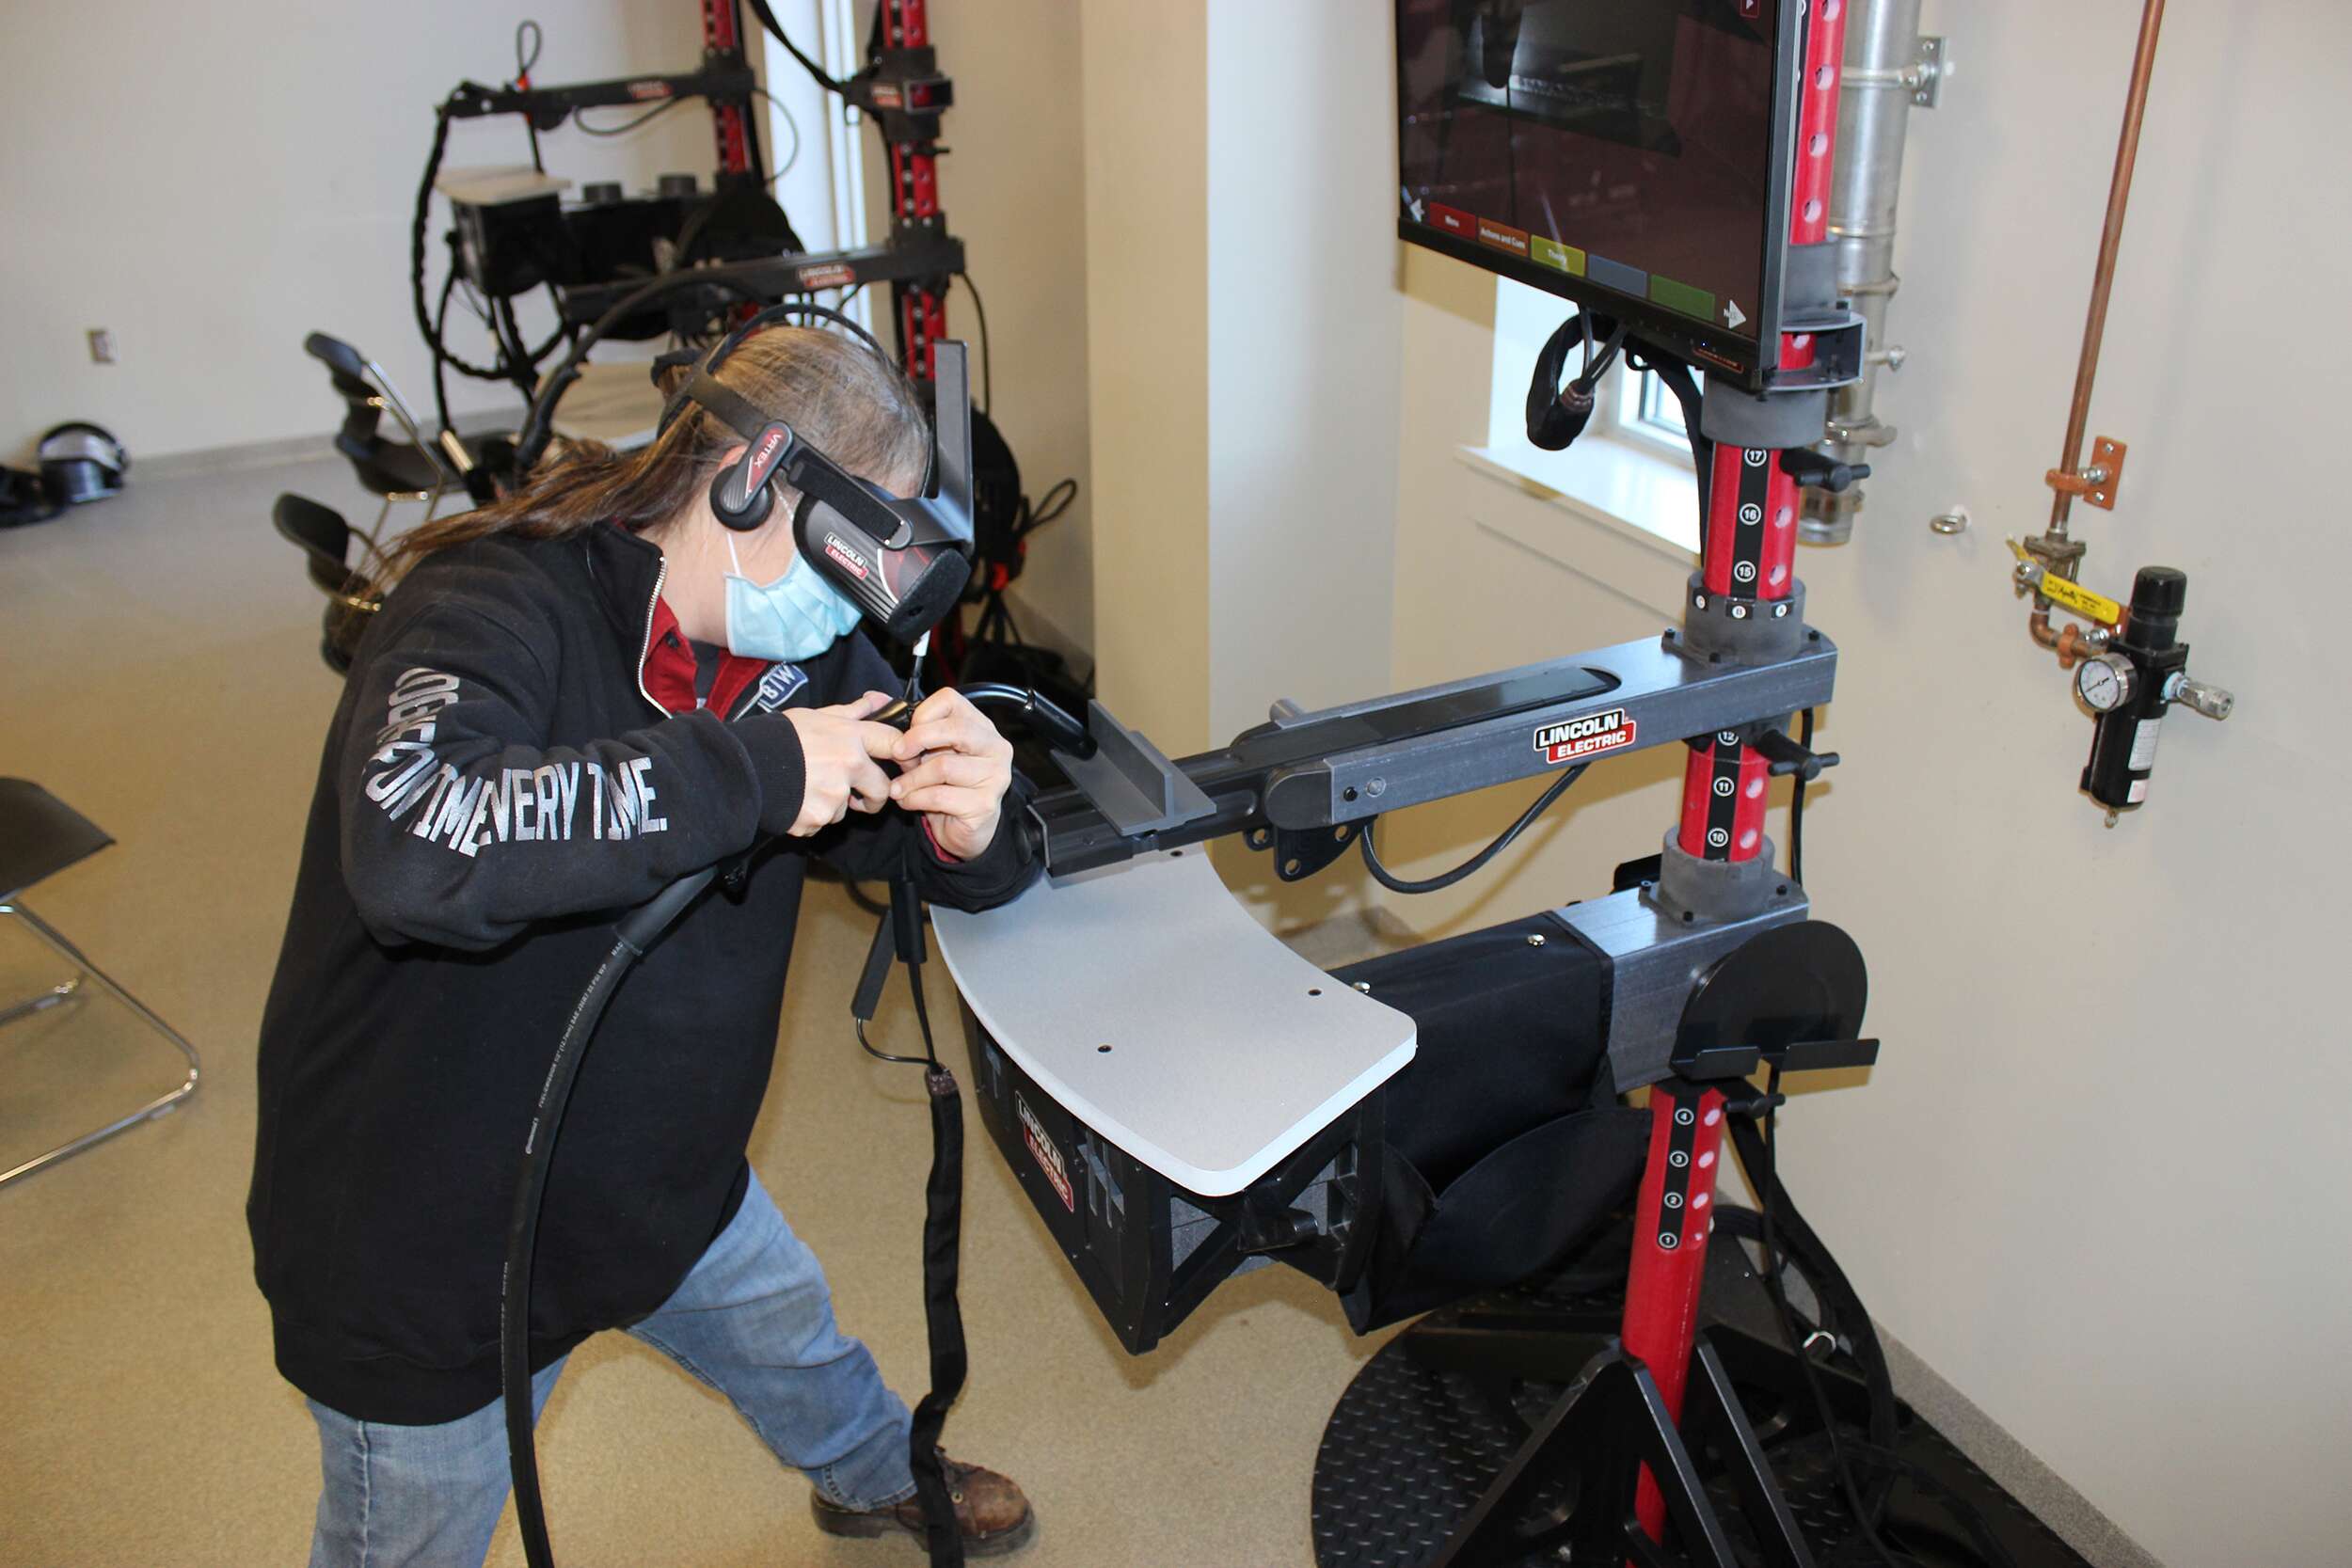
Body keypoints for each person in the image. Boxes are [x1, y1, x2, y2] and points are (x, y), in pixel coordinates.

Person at [247, 325, 1040, 1566]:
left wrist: (975, 822)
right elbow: (418, 838)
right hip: (431, 1241)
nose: (844, 609)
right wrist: (759, 771)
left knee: (795, 1341)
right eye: (836, 553)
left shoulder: (801, 648)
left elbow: (908, 836)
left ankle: (874, 1475)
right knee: (410, 1534)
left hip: (661, 1179)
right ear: (745, 475)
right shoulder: (489, 601)